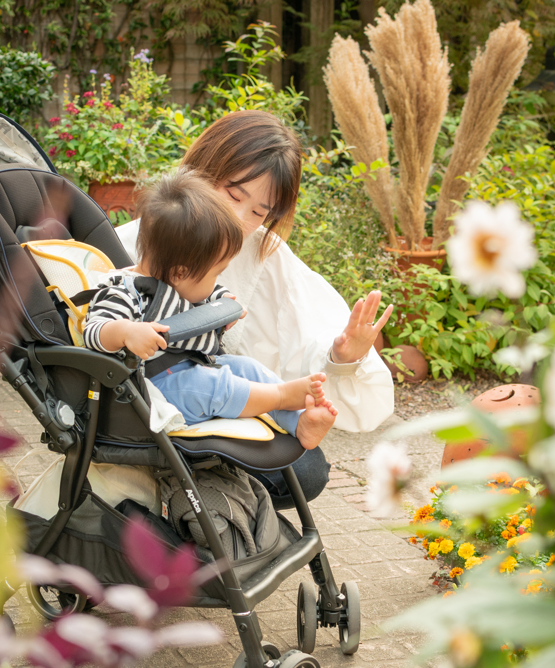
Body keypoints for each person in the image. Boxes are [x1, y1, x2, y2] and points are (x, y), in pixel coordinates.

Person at [116, 109, 395, 509]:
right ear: (202, 170)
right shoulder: (135, 241)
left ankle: (215, 509)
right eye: (232, 195)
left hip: (216, 403)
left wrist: (343, 357)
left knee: (306, 468)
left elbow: (308, 333)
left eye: (259, 212)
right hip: (155, 400)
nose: (239, 219)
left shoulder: (267, 253)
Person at [84, 170, 338, 449]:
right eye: (216, 275)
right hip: (154, 392)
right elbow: (94, 330)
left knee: (246, 367)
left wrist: (222, 301)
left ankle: (299, 422)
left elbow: (201, 293)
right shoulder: (124, 292)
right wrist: (126, 331)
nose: (217, 283)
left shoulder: (177, 281)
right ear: (180, 272)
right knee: (214, 386)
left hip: (193, 368)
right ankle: (280, 396)